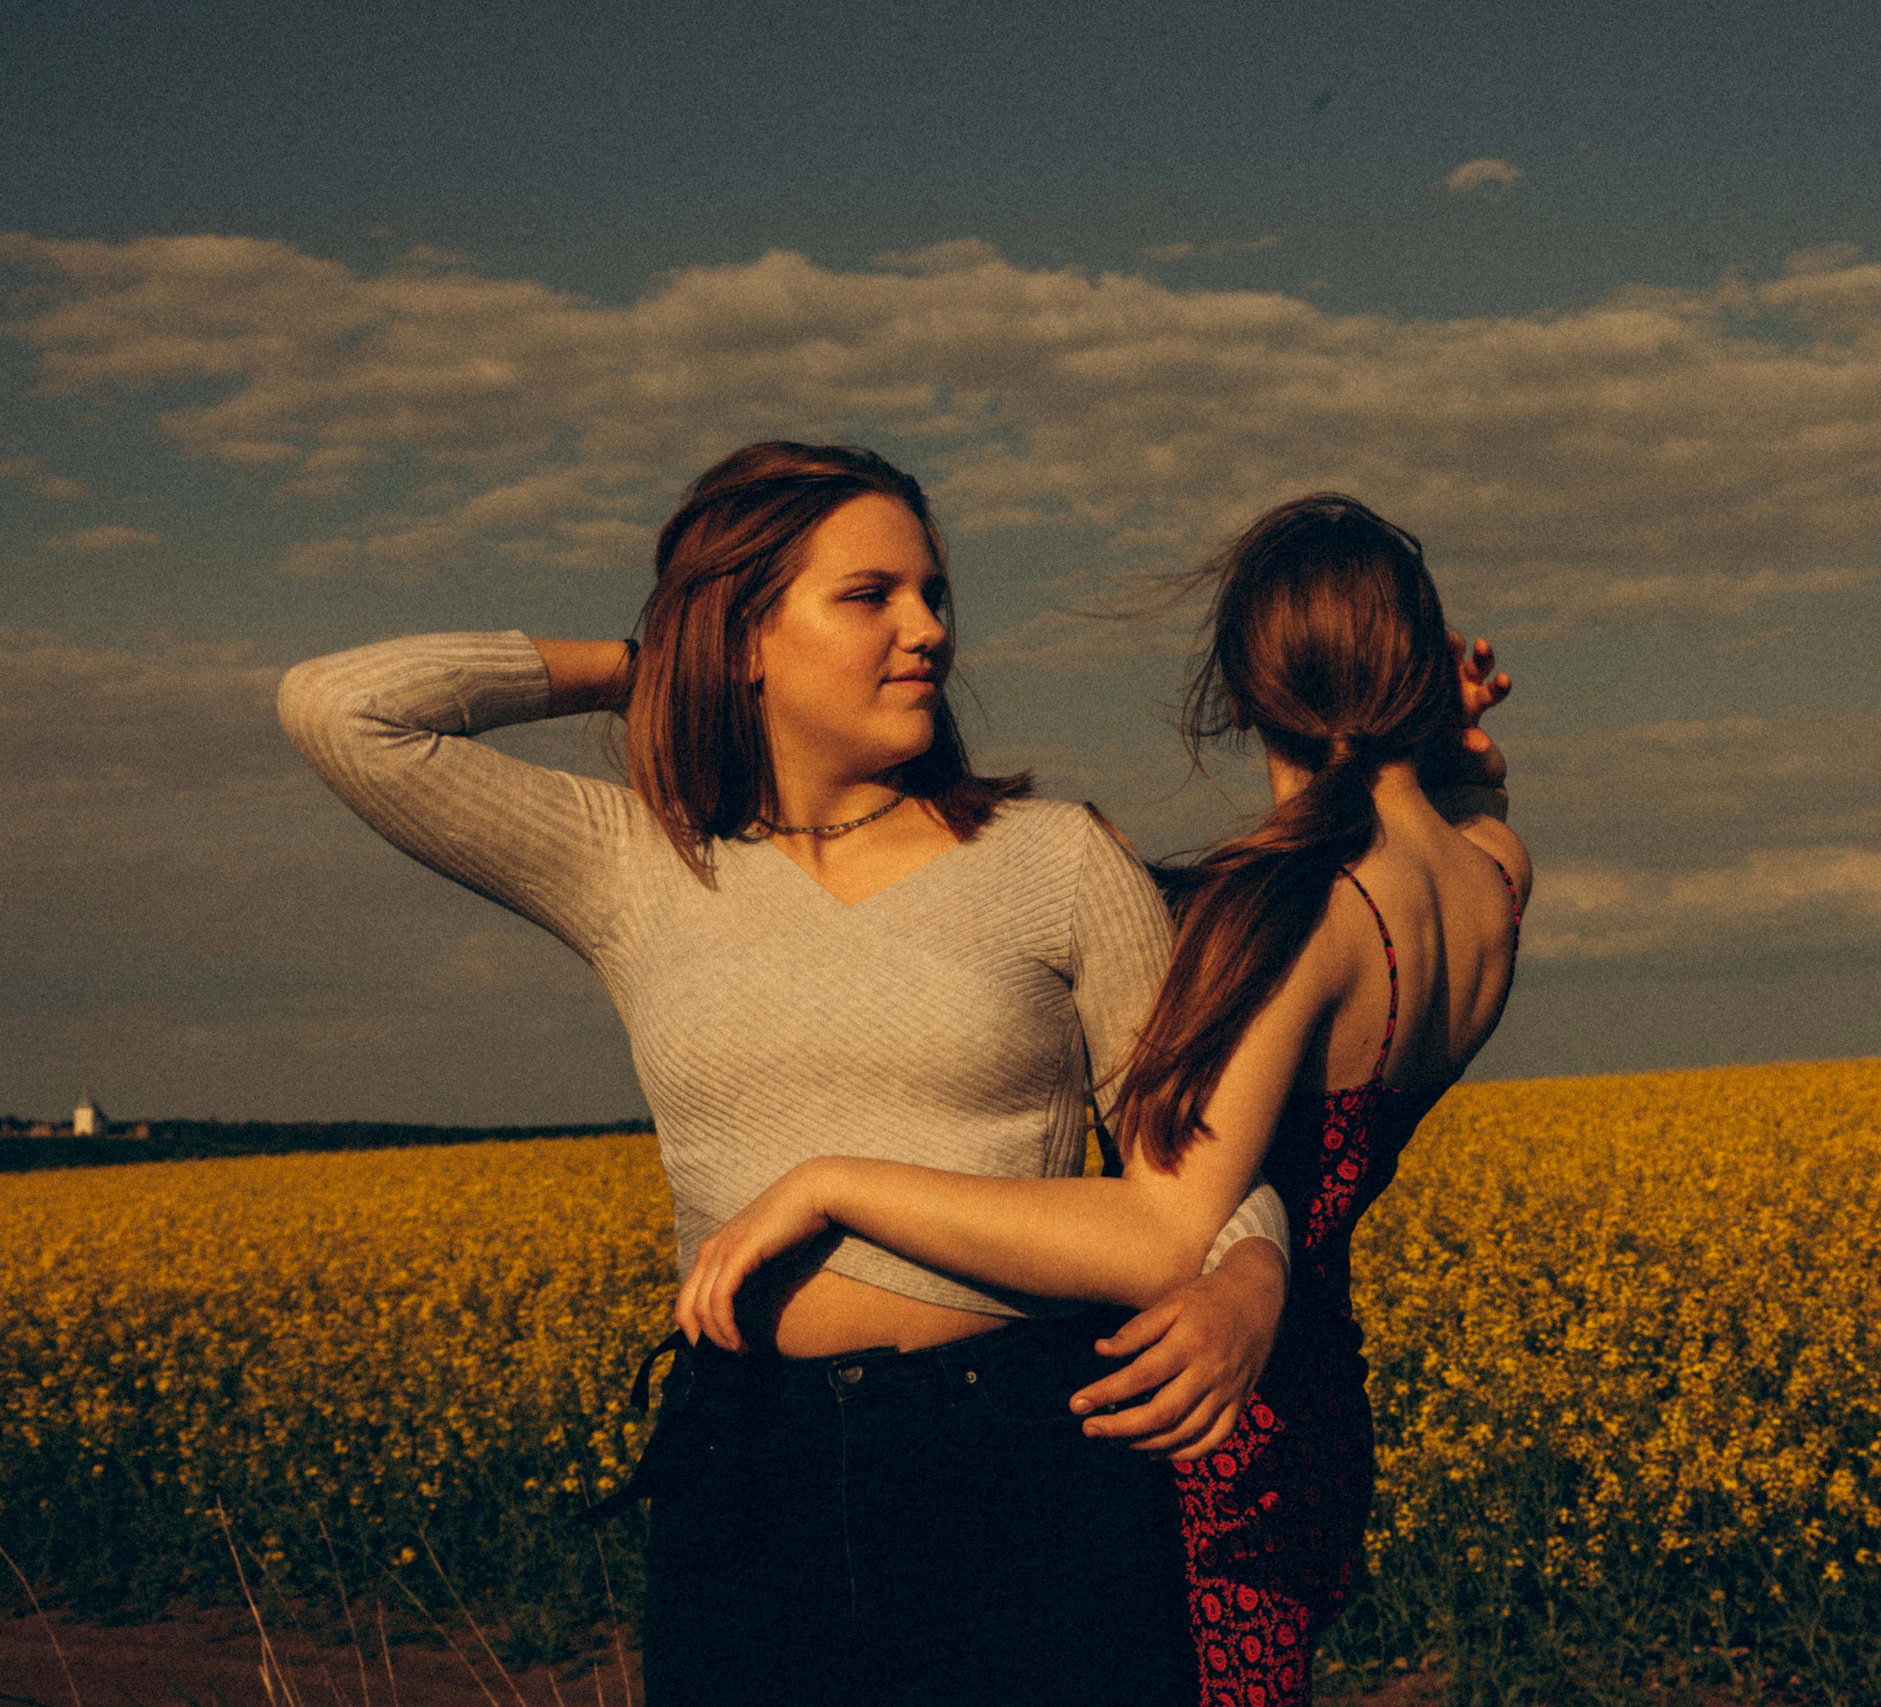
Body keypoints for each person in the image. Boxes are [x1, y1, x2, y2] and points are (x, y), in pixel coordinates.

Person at [277, 441, 1313, 1706]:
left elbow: (1194, 1161)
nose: (928, 630)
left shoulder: (1055, 860)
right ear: (746, 635)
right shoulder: (636, 861)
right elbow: (342, 709)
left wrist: (1251, 1283)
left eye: (933, 594)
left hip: (1021, 1452)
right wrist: (652, 666)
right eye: (870, 595)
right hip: (746, 1467)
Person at [682, 493, 1530, 1707]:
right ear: (1414, 671)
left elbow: (1164, 1227)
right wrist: (1466, 757)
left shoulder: (1289, 916)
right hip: (1318, 1401)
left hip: (1200, 1410)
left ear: (1241, 689)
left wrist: (830, 1185)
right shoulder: (1489, 876)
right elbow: (1480, 813)